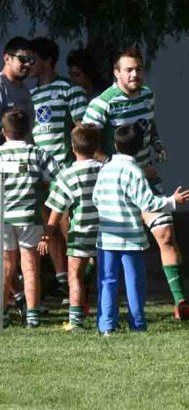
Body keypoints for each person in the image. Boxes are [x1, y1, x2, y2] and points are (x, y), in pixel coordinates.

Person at [82, 48, 189, 320]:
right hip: (116, 184)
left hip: (146, 178)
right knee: (107, 246)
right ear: (116, 73)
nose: (135, 74)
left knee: (166, 234)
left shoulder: (147, 95)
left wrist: (157, 143)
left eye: (138, 69)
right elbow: (86, 142)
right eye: (128, 70)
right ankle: (82, 295)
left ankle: (181, 304)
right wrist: (115, 165)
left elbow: (149, 124)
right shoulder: (102, 103)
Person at [92, 124, 189, 335]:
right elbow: (147, 203)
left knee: (107, 281)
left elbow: (96, 198)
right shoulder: (135, 172)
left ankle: (106, 325)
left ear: (115, 145)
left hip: (107, 238)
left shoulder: (105, 169)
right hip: (131, 239)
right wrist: (172, 201)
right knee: (134, 282)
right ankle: (137, 325)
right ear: (140, 148)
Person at [30, 37, 89, 303]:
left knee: (66, 223)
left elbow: (82, 128)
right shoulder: (31, 94)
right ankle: (62, 279)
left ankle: (81, 281)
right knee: (48, 226)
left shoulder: (68, 89)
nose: (28, 64)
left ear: (47, 61)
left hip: (64, 170)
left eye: (33, 59)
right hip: (39, 172)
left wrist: (77, 164)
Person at [1, 109, 60, 328]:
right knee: (30, 266)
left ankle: (3, 314)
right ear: (28, 131)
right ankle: (33, 316)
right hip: (30, 217)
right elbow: (58, 178)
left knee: (6, 267)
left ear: (3, 131)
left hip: (4, 218)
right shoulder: (37, 154)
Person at [40, 125, 102, 331]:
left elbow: (57, 210)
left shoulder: (67, 175)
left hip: (80, 233)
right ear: (96, 146)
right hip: (105, 232)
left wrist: (48, 234)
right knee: (105, 275)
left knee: (74, 275)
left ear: (72, 147)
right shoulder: (105, 170)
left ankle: (75, 321)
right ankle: (107, 316)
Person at [1, 37, 35, 135]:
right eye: (23, 59)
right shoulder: (1, 86)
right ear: (7, 59)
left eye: (31, 60)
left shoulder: (25, 91)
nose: (28, 64)